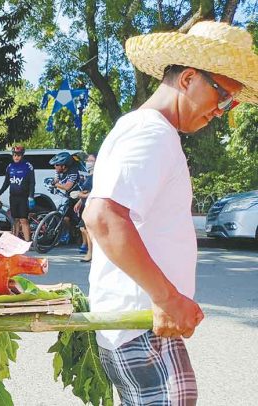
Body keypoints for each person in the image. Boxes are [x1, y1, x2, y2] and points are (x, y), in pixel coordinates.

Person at [83, 21, 254, 405]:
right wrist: (166, 298)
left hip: (144, 322)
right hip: (142, 322)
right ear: (190, 78)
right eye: (224, 97)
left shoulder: (148, 130)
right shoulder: (152, 134)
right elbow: (102, 217)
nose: (224, 112)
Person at [0, 146, 35, 241]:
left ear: (22, 155)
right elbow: (6, 183)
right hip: (13, 197)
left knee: (24, 220)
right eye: (14, 155)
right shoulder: (10, 167)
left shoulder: (28, 166)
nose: (16, 157)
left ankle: (27, 242)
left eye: (18, 155)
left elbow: (32, 183)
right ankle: (15, 241)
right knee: (15, 220)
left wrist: (31, 196)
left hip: (24, 197)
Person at [49, 151, 81, 244]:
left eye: (57, 165)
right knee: (65, 218)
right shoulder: (58, 171)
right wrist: (52, 184)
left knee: (78, 220)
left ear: (64, 166)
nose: (55, 166)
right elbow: (56, 181)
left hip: (79, 197)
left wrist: (56, 184)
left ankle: (79, 235)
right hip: (70, 196)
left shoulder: (73, 172)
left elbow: (67, 186)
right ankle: (67, 234)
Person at [74, 153, 96, 262]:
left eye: (91, 160)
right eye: (88, 160)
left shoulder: (97, 176)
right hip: (85, 206)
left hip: (92, 206)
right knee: (84, 229)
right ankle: (91, 252)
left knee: (87, 230)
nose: (88, 162)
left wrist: (80, 195)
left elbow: (94, 193)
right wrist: (79, 201)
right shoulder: (89, 175)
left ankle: (91, 253)